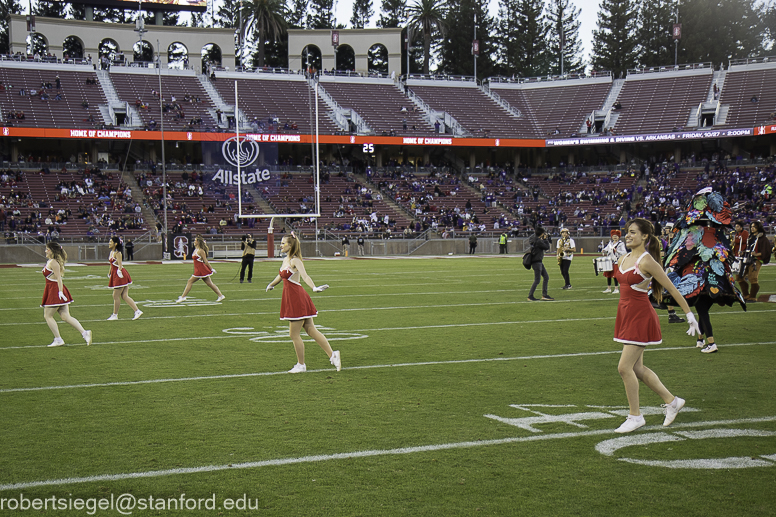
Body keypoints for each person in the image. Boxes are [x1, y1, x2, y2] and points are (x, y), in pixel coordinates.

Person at [612, 218, 700, 433]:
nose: (628, 235)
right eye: (627, 232)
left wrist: (689, 315)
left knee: (624, 368)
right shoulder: (623, 257)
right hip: (625, 314)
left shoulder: (647, 261)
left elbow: (671, 287)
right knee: (637, 368)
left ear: (645, 236)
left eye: (633, 232)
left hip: (641, 316)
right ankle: (672, 401)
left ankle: (635, 416)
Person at [663, 188, 746, 354]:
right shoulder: (713, 235)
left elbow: (686, 252)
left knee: (701, 310)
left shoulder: (703, 236)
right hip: (705, 278)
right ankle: (701, 339)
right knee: (701, 310)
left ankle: (711, 343)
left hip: (704, 279)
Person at [265, 233, 340, 373]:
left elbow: (305, 275)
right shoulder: (286, 259)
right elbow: (281, 275)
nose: (281, 245)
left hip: (297, 299)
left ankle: (301, 365)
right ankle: (333, 355)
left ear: (290, 245)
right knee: (311, 330)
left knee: (294, 334)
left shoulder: (295, 260)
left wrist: (314, 287)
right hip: (292, 298)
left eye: (283, 243)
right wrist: (272, 284)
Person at [41, 242, 92, 347]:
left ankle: (58, 339)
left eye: (47, 249)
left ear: (52, 251)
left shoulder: (53, 262)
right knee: (65, 316)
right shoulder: (51, 261)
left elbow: (59, 278)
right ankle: (85, 333)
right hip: (55, 289)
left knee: (48, 316)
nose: (45, 251)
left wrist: (59, 292)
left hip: (55, 290)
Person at [176, 235, 225, 303]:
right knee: (209, 283)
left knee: (190, 281)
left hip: (200, 270)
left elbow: (205, 261)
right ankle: (221, 295)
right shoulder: (196, 249)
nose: (194, 242)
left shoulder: (201, 251)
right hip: (198, 269)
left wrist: (211, 268)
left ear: (198, 242)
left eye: (195, 240)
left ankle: (183, 297)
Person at [106, 236, 142, 321]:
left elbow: (120, 265)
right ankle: (137, 311)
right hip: (116, 274)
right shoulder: (112, 252)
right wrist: (109, 273)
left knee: (115, 295)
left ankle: (115, 314)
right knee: (124, 296)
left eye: (111, 242)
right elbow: (111, 265)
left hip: (120, 275)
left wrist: (119, 271)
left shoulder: (118, 253)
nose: (109, 243)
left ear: (115, 244)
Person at [739, 220, 769, 302]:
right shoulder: (750, 237)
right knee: (739, 276)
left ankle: (752, 297)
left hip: (756, 260)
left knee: (752, 278)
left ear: (758, 227)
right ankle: (746, 294)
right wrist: (743, 252)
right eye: (751, 226)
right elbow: (748, 248)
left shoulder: (762, 238)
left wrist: (757, 254)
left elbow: (766, 250)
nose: (752, 228)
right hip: (747, 258)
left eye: (754, 227)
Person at [527, 225, 553, 301]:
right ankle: (530, 296)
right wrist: (545, 239)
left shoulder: (534, 239)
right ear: (541, 234)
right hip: (537, 262)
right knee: (537, 280)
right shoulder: (538, 241)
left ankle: (544, 295)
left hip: (538, 262)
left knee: (546, 277)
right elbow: (546, 247)